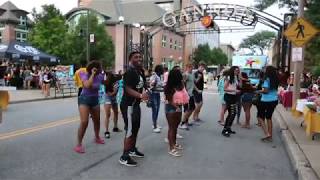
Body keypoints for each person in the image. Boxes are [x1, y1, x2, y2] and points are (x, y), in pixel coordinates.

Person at [119, 51, 149, 167]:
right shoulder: (130, 72)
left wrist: (147, 92)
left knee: (136, 128)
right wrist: (141, 96)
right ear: (130, 60)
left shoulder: (140, 71)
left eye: (140, 57)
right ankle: (124, 156)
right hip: (128, 105)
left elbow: (143, 85)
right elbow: (128, 89)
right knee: (130, 130)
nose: (139, 59)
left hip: (136, 104)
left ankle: (132, 149)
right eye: (136, 57)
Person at [74, 60, 105, 154]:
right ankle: (79, 144)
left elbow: (105, 83)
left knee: (97, 120)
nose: (100, 69)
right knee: (84, 122)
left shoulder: (100, 76)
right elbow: (87, 85)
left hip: (95, 99)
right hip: (84, 99)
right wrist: (92, 74)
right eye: (98, 68)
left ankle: (97, 137)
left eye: (100, 68)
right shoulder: (84, 74)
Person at [164, 67, 189, 157]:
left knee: (175, 127)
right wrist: (176, 107)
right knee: (171, 128)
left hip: (179, 108)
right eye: (180, 74)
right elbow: (169, 100)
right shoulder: (169, 86)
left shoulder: (180, 84)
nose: (182, 75)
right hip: (171, 109)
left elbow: (184, 95)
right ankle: (171, 148)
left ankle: (174, 143)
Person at [257, 66, 279, 142]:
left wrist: (258, 91)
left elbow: (266, 91)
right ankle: (270, 136)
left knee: (260, 117)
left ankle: (267, 134)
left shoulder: (267, 79)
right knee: (269, 118)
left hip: (265, 100)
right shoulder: (276, 79)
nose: (264, 70)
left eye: (265, 69)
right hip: (274, 100)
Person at [222, 66, 240, 137]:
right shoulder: (229, 78)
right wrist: (235, 90)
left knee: (232, 113)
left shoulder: (235, 77)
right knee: (232, 113)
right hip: (229, 96)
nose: (237, 71)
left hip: (233, 96)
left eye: (238, 70)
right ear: (232, 70)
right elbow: (225, 88)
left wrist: (240, 76)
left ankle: (228, 128)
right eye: (236, 70)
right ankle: (225, 130)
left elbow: (239, 85)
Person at [103, 71, 122, 139]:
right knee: (108, 115)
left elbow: (120, 76)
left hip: (114, 98)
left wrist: (115, 91)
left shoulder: (116, 80)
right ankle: (106, 131)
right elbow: (109, 93)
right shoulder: (107, 83)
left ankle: (115, 127)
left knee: (116, 112)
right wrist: (114, 91)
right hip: (108, 97)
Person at [180, 63, 195, 130]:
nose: (192, 69)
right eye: (190, 67)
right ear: (187, 68)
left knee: (192, 108)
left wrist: (197, 90)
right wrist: (184, 92)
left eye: (192, 67)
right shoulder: (185, 74)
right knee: (187, 109)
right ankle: (183, 123)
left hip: (191, 94)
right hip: (187, 94)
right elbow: (182, 83)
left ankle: (186, 121)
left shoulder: (192, 74)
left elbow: (193, 84)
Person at [149, 65, 164, 133]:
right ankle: (154, 126)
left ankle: (155, 123)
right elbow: (151, 86)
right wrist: (153, 84)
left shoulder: (159, 76)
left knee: (157, 109)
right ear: (159, 70)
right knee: (155, 110)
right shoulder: (154, 76)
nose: (163, 71)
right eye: (162, 69)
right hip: (153, 94)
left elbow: (160, 85)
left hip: (157, 94)